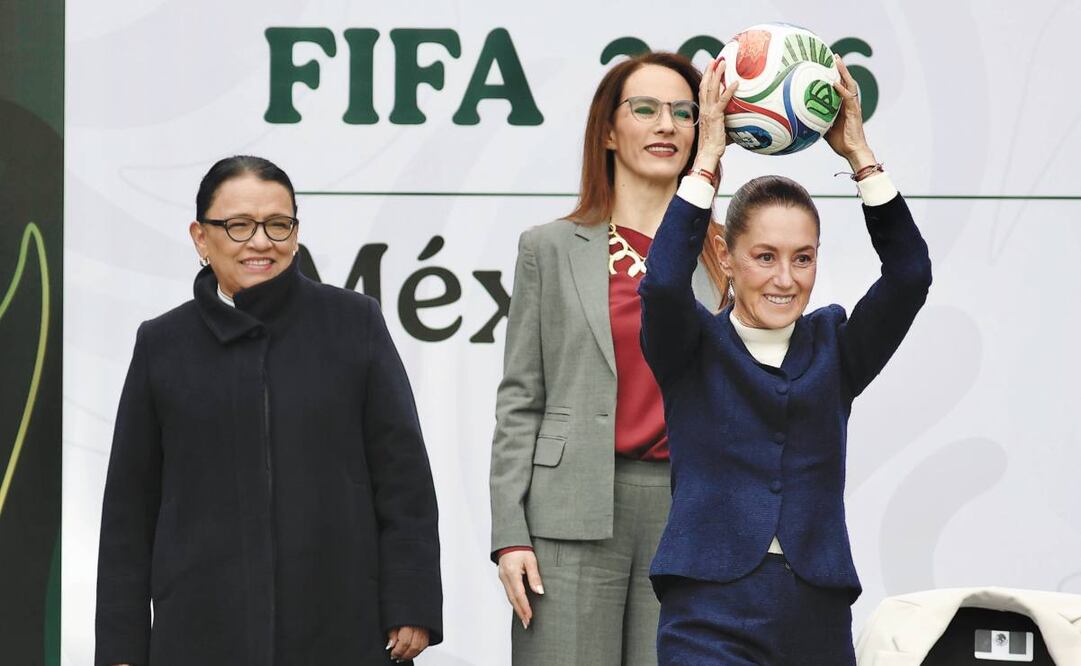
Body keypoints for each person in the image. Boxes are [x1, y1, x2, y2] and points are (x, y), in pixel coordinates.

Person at [638, 57, 933, 664]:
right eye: (765, 256)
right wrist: (706, 162)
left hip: (815, 618)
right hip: (707, 615)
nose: (785, 278)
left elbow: (909, 274)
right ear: (726, 253)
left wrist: (859, 155)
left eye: (803, 258)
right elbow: (664, 285)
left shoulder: (836, 348)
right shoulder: (691, 348)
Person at [95, 156, 442, 666]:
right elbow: (129, 508)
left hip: (341, 624)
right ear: (200, 236)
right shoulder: (162, 344)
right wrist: (122, 646)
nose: (261, 241)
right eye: (238, 225)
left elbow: (404, 478)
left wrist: (412, 599)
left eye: (278, 224)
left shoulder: (353, 323)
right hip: (200, 627)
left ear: (296, 233)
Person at [489, 52, 728, 665]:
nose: (666, 125)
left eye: (683, 113)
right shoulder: (548, 246)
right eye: (644, 109)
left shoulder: (724, 254)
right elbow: (521, 398)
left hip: (687, 511)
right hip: (569, 507)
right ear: (608, 132)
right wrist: (509, 534)